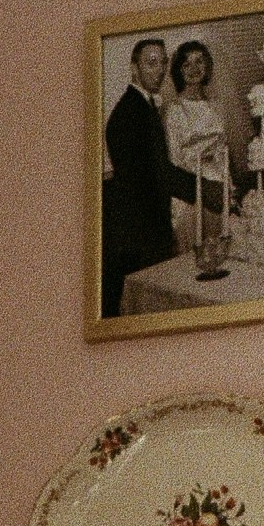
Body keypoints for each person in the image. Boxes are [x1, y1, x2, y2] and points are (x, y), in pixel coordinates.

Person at [101, 34, 175, 317]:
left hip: (149, 227)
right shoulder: (128, 114)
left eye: (163, 63)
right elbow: (153, 176)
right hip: (140, 234)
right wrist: (201, 186)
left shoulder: (144, 106)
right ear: (134, 68)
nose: (160, 70)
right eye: (152, 63)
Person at [162, 40, 232, 251]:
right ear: (178, 71)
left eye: (199, 62)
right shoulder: (175, 111)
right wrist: (205, 182)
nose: (194, 69)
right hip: (192, 191)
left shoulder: (216, 106)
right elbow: (176, 158)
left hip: (219, 185)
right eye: (187, 64)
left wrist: (226, 183)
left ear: (207, 65)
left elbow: (224, 152)